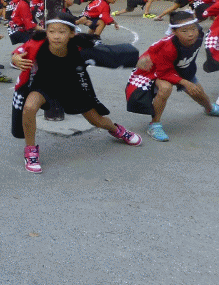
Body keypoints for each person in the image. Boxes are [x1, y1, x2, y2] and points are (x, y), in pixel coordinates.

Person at [11, 12, 142, 174]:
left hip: (72, 87)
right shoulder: (37, 44)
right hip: (44, 84)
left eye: (62, 32)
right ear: (46, 32)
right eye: (51, 31)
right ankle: (30, 150)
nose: (56, 36)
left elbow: (110, 54)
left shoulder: (80, 48)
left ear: (72, 33)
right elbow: (18, 52)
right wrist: (15, 58)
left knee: (97, 121)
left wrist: (138, 60)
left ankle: (116, 130)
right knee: (29, 107)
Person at [126, 11, 219, 142]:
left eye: (193, 28)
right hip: (155, 70)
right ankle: (154, 124)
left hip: (181, 68)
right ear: (174, 32)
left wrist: (188, 78)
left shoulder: (199, 35)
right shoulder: (168, 47)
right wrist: (185, 82)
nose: (191, 34)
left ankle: (209, 108)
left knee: (198, 92)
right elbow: (163, 72)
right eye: (184, 31)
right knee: (165, 88)